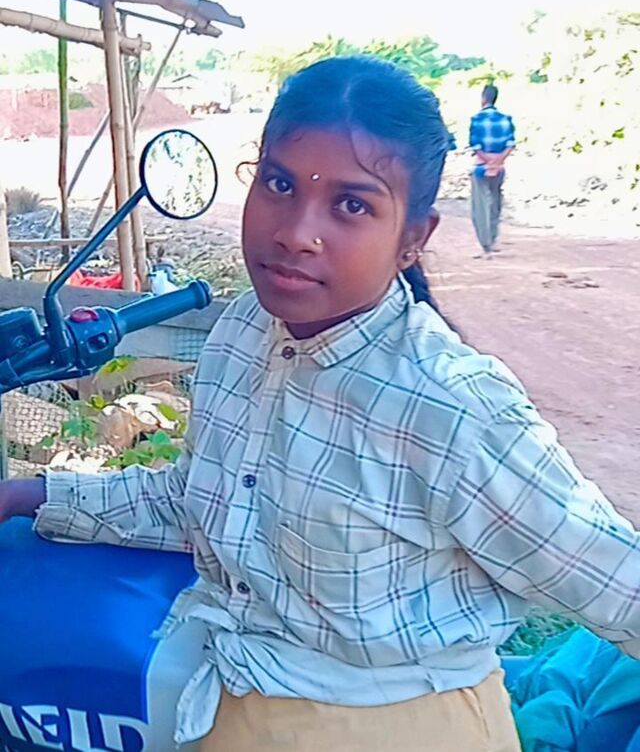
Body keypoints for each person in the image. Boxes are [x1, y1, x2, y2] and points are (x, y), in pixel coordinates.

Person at [1, 56, 639, 752]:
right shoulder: (244, 334)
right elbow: (200, 503)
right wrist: (31, 495)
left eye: (352, 205)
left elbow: (615, 581)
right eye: (279, 184)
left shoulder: (450, 408)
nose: (296, 231)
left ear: (413, 239)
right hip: (233, 709)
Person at [469, 84, 515, 257]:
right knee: (495, 203)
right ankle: (493, 238)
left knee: (480, 205)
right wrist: (498, 160)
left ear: (483, 98)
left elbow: (476, 145)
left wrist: (488, 160)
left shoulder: (477, 119)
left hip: (481, 166)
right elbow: (510, 144)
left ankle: (485, 245)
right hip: (499, 166)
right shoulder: (506, 119)